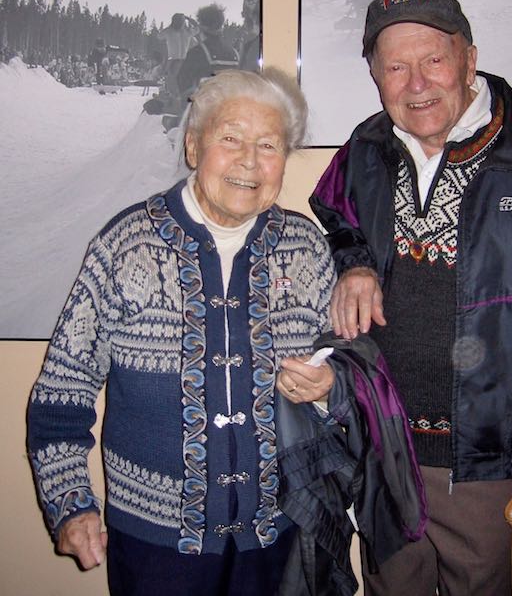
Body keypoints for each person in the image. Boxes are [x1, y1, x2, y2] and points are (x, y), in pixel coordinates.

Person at [309, 0, 512, 596]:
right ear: (375, 76)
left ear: (469, 58)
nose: (417, 83)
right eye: (395, 67)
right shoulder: (364, 151)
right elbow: (334, 213)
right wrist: (353, 261)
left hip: (489, 470)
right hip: (385, 454)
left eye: (434, 58)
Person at [27, 68, 339, 596]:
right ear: (194, 146)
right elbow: (63, 390)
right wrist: (71, 503)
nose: (249, 160)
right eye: (230, 138)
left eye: (269, 144)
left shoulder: (307, 246)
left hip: (279, 536)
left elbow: (355, 368)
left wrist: (333, 388)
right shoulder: (126, 244)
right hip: (155, 546)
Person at [177, 3, 239, 99]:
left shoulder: (197, 53)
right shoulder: (234, 54)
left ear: (202, 26)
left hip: (206, 110)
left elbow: (183, 84)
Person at [158, 12, 200, 97]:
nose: (181, 23)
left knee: (174, 80)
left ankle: (175, 96)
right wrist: (189, 19)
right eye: (181, 21)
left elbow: (159, 36)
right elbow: (197, 27)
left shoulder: (172, 31)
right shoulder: (187, 32)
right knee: (174, 80)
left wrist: (188, 19)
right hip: (177, 60)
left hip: (178, 60)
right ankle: (174, 95)